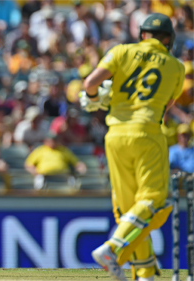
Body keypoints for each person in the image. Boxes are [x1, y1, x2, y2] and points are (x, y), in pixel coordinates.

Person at [80, 13, 185, 281]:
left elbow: (90, 84)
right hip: (147, 133)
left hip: (114, 135)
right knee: (155, 201)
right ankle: (113, 249)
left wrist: (96, 100)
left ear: (142, 35)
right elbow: (164, 108)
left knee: (131, 213)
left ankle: (145, 273)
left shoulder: (120, 51)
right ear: (168, 39)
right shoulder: (175, 66)